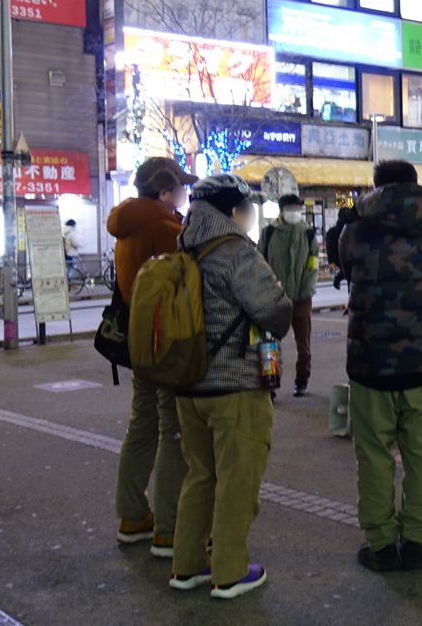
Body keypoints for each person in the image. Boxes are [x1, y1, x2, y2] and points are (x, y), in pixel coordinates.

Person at [169, 175, 292, 600]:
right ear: (234, 211)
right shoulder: (235, 251)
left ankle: (187, 566)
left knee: (200, 476)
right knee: (238, 481)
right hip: (235, 387)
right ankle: (229, 571)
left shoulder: (183, 248)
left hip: (189, 386)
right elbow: (275, 310)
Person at [339, 160, 422, 573]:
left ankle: (382, 545)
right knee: (421, 454)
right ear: (414, 183)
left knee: (374, 455)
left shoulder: (357, 226)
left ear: (376, 186)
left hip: (370, 363)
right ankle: (416, 542)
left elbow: (346, 268)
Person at [107, 157, 198, 559]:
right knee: (173, 429)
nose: (184, 194)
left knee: (141, 425)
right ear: (164, 192)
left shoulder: (126, 227)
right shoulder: (166, 229)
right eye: (180, 188)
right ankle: (169, 528)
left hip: (138, 340)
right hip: (168, 341)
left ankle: (131, 515)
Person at [259, 194, 319, 397]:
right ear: (281, 210)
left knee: (304, 344)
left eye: (297, 208)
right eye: (290, 208)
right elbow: (260, 262)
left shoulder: (308, 233)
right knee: (269, 344)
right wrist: (269, 288)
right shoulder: (268, 232)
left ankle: (302, 380)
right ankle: (270, 383)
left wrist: (307, 289)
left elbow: (313, 263)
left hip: (302, 298)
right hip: (274, 298)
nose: (294, 212)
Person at [325, 205, 359, 291]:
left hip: (340, 260)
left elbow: (330, 248)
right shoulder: (354, 229)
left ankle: (338, 278)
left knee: (350, 280)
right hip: (352, 259)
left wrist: (331, 261)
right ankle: (338, 278)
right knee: (352, 280)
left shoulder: (332, 231)